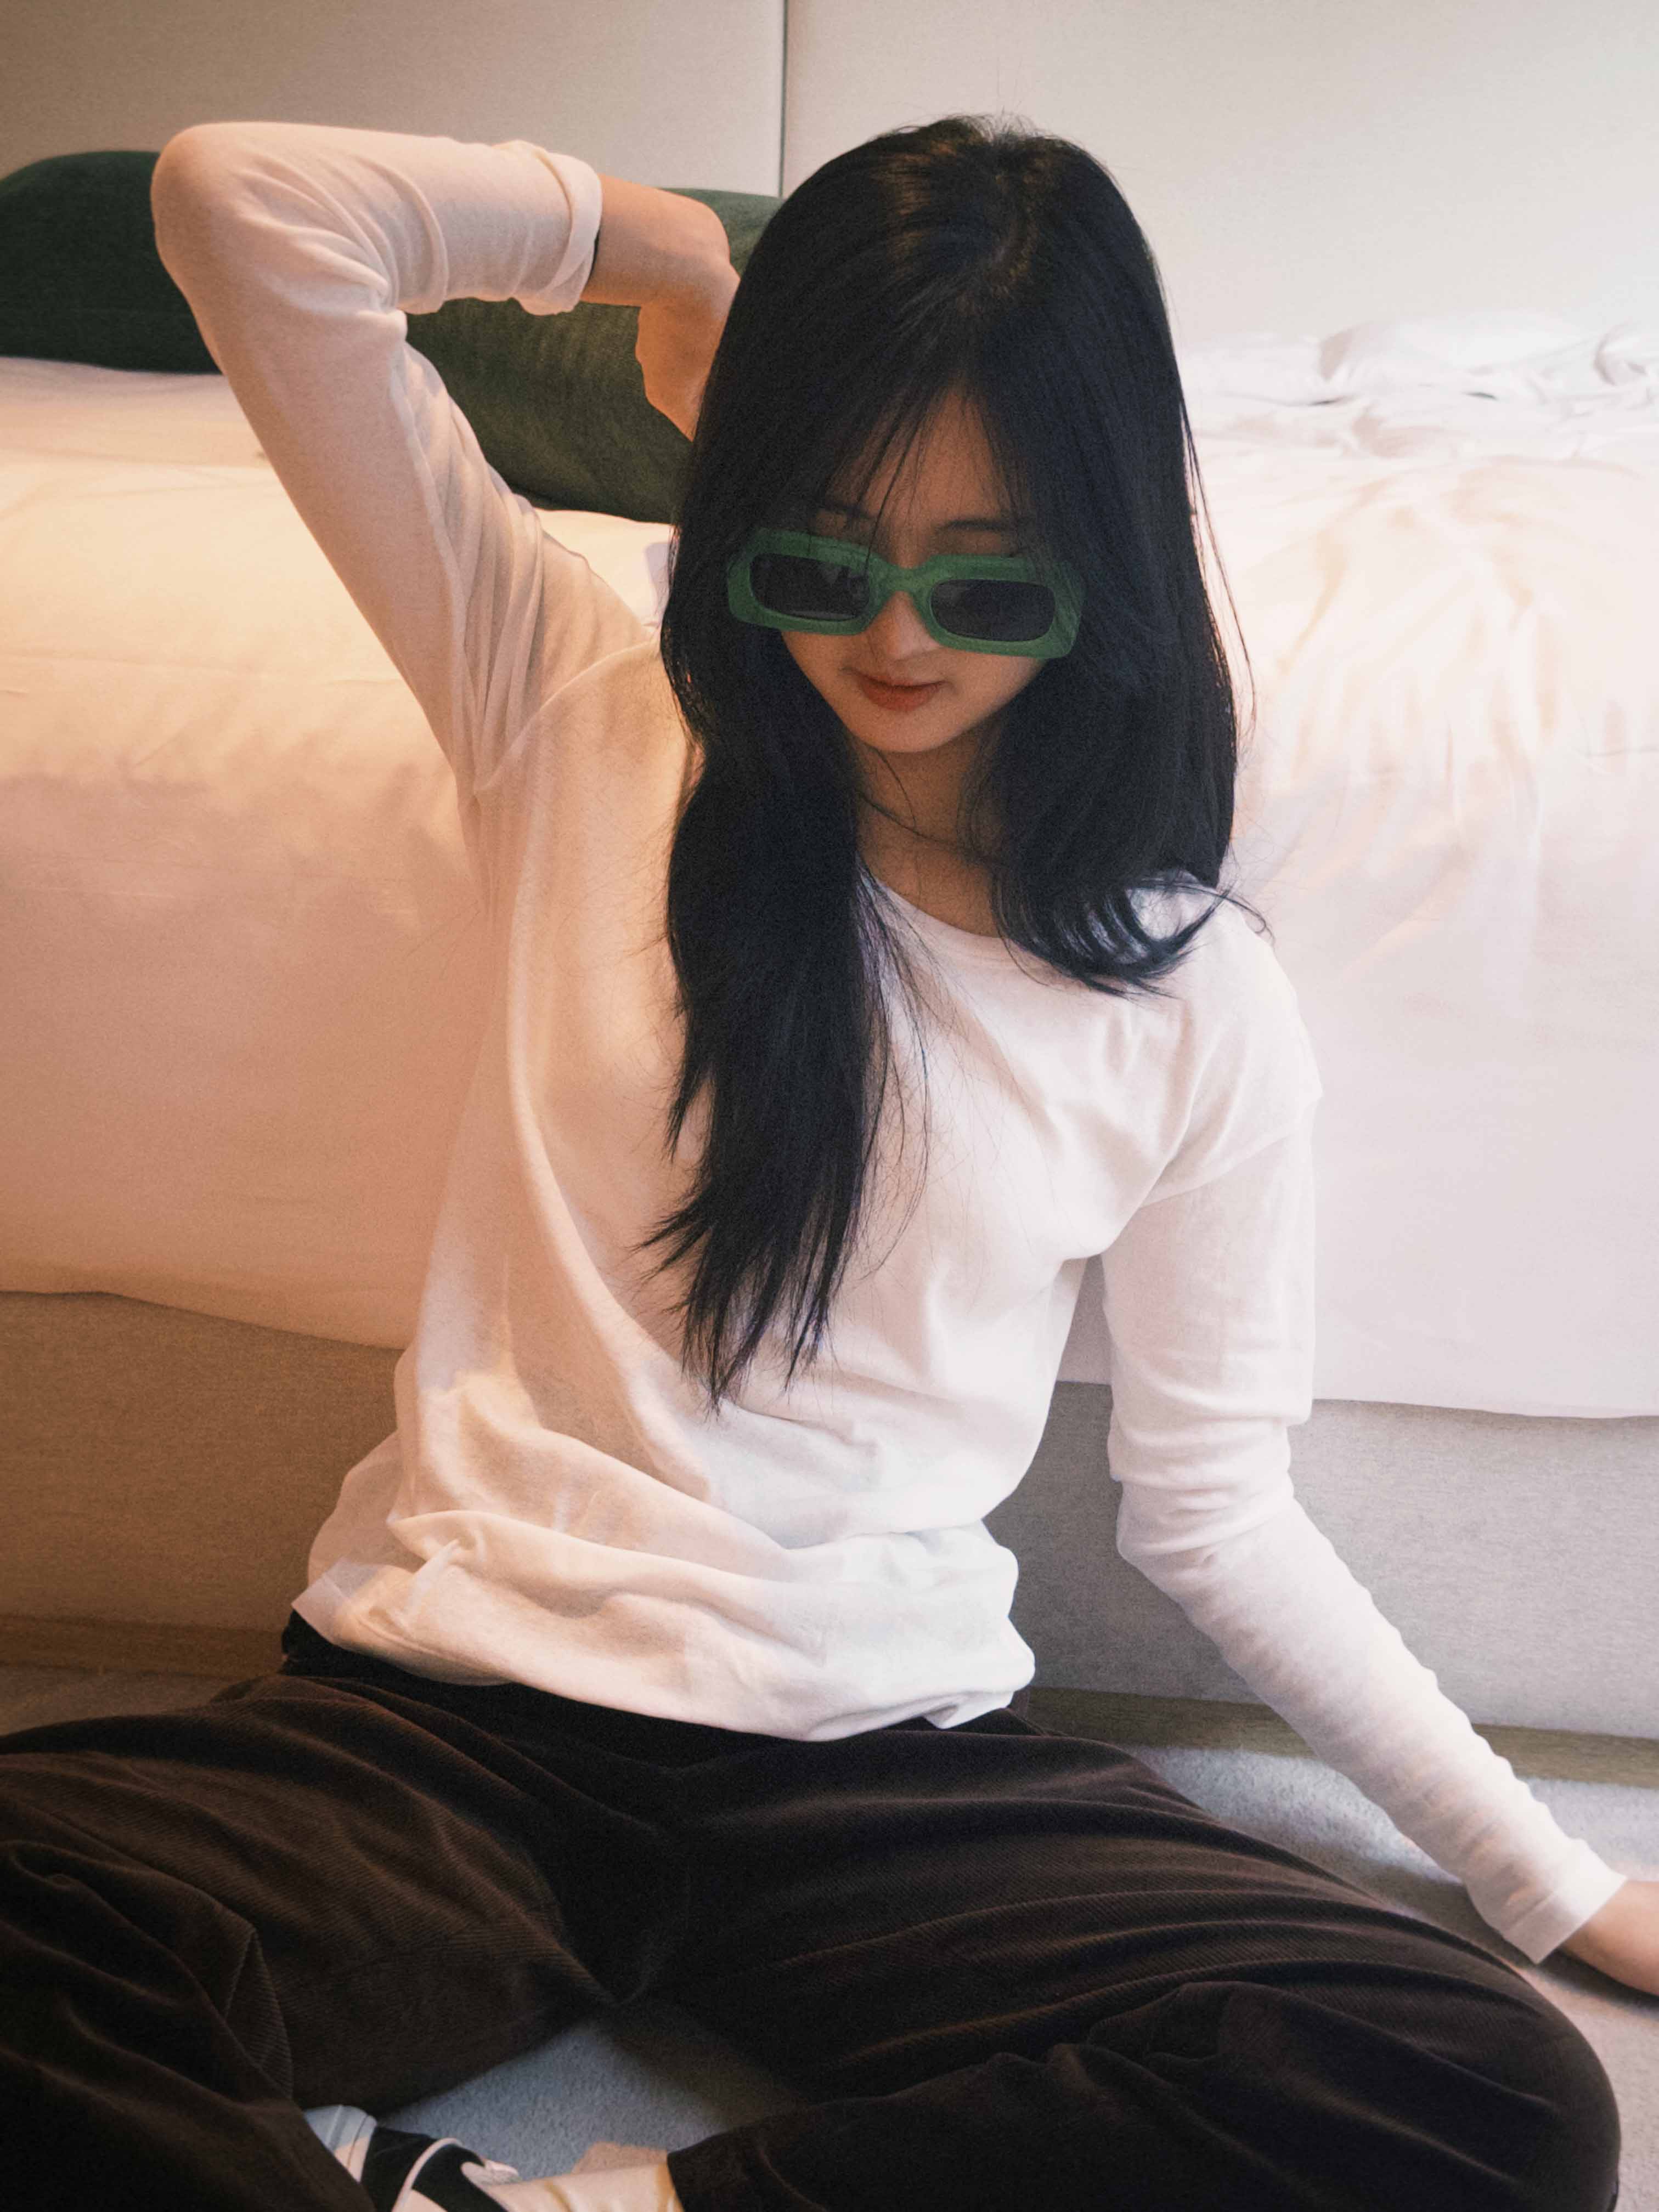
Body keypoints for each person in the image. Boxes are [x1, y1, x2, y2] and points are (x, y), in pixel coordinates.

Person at [0, 109, 1639, 2212]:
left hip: (881, 1771)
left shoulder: (1188, 1005)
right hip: (449, 1720)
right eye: (820, 558)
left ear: (1111, 560)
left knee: (1483, 2090)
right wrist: (674, 260)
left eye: (989, 576)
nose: (896, 640)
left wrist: (1551, 1877)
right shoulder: (566, 710)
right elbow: (242, 209)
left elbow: (1219, 1511)